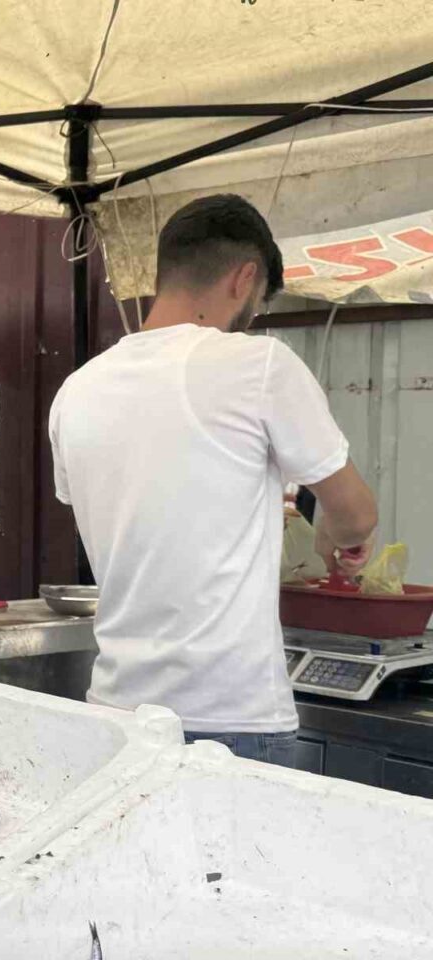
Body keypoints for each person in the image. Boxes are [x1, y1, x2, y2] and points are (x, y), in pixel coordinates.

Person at [48, 194, 378, 766]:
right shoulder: (258, 364)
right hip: (233, 719)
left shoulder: (76, 390)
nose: (251, 314)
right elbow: (357, 515)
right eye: (257, 299)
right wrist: (340, 539)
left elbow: (143, 510)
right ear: (244, 276)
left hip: (115, 715)